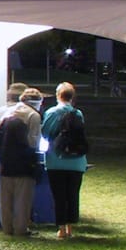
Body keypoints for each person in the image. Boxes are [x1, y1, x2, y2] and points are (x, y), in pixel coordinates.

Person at [41, 81, 88, 239]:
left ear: (57, 96)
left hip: (56, 160)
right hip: (77, 161)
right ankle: (70, 227)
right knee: (73, 194)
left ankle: (61, 228)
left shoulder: (52, 112)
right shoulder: (78, 113)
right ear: (72, 97)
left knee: (59, 195)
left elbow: (45, 133)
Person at [0, 87, 43, 236]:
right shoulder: (33, 116)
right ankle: (21, 229)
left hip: (5, 162)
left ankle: (7, 228)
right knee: (23, 199)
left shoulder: (8, 113)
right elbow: (33, 142)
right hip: (24, 164)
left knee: (5, 199)